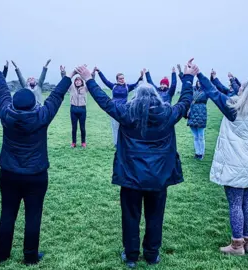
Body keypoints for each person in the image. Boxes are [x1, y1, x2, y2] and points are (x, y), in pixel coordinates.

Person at [78, 59, 194, 268]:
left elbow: (105, 102)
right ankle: (151, 254)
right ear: (156, 98)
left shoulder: (127, 114)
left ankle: (131, 255)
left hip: (131, 176)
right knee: (155, 216)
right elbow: (185, 100)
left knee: (130, 216)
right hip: (158, 177)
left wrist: (89, 79)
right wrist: (188, 77)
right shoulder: (166, 114)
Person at [0, 53, 72, 265]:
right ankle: (30, 256)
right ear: (34, 103)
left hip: (9, 173)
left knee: (7, 213)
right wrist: (68, 76)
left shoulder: (7, 114)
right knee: (33, 216)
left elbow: (3, 93)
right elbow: (56, 97)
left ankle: (2, 255)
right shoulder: (41, 116)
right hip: (36, 175)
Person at [199, 55, 248, 256]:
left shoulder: (234, 110)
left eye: (242, 88)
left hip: (234, 163)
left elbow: (213, 93)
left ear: (245, 93)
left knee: (235, 204)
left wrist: (198, 74)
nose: (238, 88)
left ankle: (237, 244)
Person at [93, 67, 144, 146]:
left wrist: (141, 77)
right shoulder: (113, 86)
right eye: (120, 78)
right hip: (114, 109)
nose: (122, 80)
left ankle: (125, 142)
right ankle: (116, 143)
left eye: (123, 78)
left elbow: (136, 84)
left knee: (125, 127)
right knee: (115, 127)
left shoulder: (127, 87)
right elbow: (105, 80)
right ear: (117, 79)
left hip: (124, 110)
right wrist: (99, 71)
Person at [60, 65, 94, 148]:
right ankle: (73, 143)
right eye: (76, 81)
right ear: (74, 82)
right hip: (73, 109)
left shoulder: (85, 88)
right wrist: (63, 72)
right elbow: (65, 81)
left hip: (82, 109)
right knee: (74, 128)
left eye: (79, 81)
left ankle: (83, 142)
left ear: (82, 82)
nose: (78, 82)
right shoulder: (71, 88)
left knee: (82, 127)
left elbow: (91, 81)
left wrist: (93, 74)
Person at [187, 80, 208, 160]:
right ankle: (197, 153)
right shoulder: (193, 89)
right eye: (198, 82)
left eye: (200, 82)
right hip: (192, 114)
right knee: (195, 136)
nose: (199, 83)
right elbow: (186, 83)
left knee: (201, 136)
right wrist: (181, 72)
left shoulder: (206, 91)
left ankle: (201, 153)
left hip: (201, 114)